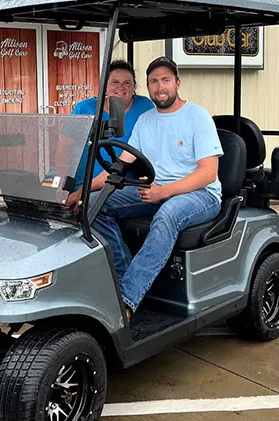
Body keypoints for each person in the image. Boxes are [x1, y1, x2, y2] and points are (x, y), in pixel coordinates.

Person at [93, 57, 223, 318]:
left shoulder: (197, 116)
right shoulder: (146, 120)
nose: (160, 87)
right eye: (154, 81)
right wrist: (80, 193)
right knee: (96, 206)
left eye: (165, 80)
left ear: (177, 83)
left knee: (167, 215)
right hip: (157, 190)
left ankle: (126, 303)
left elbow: (209, 173)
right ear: (148, 86)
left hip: (201, 195)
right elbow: (120, 164)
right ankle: (125, 278)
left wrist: (164, 192)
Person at [66, 60, 153, 207]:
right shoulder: (85, 109)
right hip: (82, 185)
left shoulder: (145, 107)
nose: (121, 87)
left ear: (134, 87)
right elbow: (64, 148)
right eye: (114, 82)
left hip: (120, 187)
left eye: (127, 83)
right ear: (104, 86)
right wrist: (62, 187)